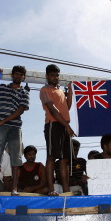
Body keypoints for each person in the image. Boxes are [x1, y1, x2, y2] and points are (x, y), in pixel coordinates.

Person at [0, 66, 30, 195]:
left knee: (16, 157)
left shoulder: (24, 93)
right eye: (16, 73)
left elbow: (20, 110)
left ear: (23, 77)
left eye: (21, 74)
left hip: (15, 127)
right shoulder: (2, 88)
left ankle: (14, 189)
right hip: (0, 127)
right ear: (12, 75)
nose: (18, 76)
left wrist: (2, 121)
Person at [40, 64, 74, 194]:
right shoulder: (44, 90)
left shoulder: (60, 90)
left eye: (57, 75)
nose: (55, 78)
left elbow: (67, 108)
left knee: (64, 159)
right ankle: (51, 189)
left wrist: (70, 92)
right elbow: (53, 111)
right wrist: (67, 126)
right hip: (53, 124)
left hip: (64, 124)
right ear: (47, 76)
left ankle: (66, 189)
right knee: (52, 156)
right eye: (52, 75)